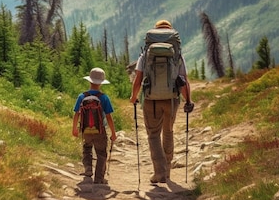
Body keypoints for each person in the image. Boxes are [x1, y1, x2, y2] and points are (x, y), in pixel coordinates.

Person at [129, 19, 194, 183]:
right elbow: (183, 80)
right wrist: (188, 100)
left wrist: (134, 97)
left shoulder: (145, 54)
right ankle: (168, 170)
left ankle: (159, 171)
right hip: (171, 99)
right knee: (168, 131)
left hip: (151, 99)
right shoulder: (177, 54)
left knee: (153, 135)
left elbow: (138, 79)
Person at [72, 67, 118, 184]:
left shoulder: (82, 96)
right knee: (101, 153)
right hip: (100, 131)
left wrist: (74, 129)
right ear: (101, 83)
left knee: (87, 149)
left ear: (89, 81)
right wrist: (113, 132)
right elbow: (108, 117)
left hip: (86, 130)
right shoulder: (104, 97)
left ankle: (88, 169)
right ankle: (99, 178)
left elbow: (76, 113)